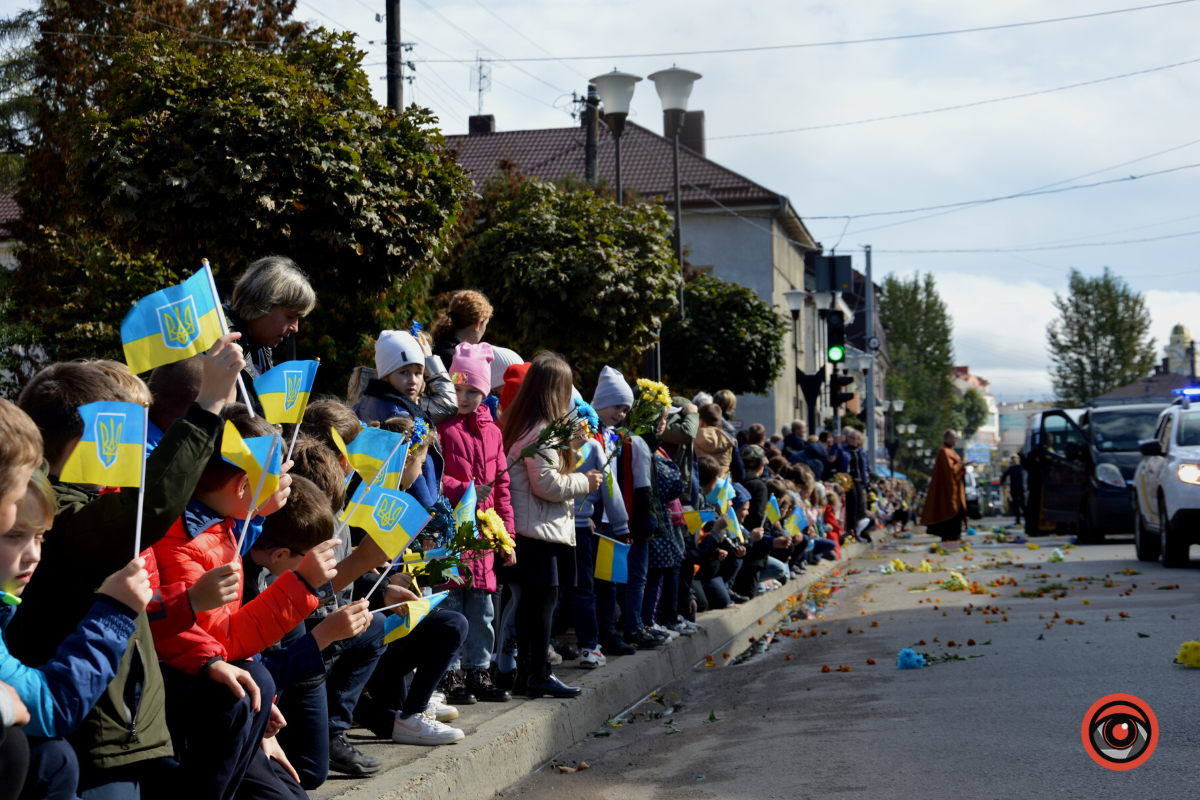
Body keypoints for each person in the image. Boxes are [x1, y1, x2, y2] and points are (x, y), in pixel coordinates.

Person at [11, 339, 245, 800]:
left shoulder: (93, 506)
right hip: (94, 741)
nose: (140, 448)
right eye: (128, 433)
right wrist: (207, 406)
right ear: (87, 441)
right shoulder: (60, 517)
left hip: (128, 729)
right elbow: (153, 504)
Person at [500, 353, 600, 698]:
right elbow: (548, 485)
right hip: (538, 531)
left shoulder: (529, 425)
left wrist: (572, 445)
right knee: (543, 603)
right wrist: (585, 482)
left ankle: (528, 672)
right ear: (555, 391)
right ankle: (538, 673)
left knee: (533, 604)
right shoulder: (541, 429)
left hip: (533, 528)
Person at [436, 342, 515, 702]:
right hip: (451, 530)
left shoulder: (493, 431)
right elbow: (432, 478)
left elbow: (502, 489)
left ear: (484, 392)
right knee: (450, 601)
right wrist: (464, 490)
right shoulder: (441, 426)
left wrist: (507, 538)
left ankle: (477, 671)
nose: (464, 397)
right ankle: (448, 672)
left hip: (484, 534)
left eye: (473, 391)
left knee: (482, 608)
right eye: (457, 389)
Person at [223, 256, 317, 411]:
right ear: (263, 304)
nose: (295, 328)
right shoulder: (219, 337)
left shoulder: (261, 342)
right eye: (290, 316)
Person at [355, 329, 458, 427]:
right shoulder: (399, 414)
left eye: (418, 373)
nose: (413, 381)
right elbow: (448, 406)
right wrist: (429, 361)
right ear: (385, 375)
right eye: (404, 372)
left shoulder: (364, 403)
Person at [922, 430, 967, 542]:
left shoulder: (951, 451)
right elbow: (950, 470)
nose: (955, 440)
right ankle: (949, 534)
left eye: (956, 437)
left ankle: (955, 534)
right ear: (946, 438)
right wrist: (962, 464)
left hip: (955, 487)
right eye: (953, 437)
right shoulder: (943, 451)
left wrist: (962, 464)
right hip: (948, 488)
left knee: (957, 510)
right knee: (950, 509)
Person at [429, 290, 494, 366]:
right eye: (485, 325)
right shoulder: (458, 359)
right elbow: (460, 378)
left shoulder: (434, 346)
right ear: (478, 324)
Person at [694, 404, 734, 480]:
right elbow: (738, 469)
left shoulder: (693, 437)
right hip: (723, 486)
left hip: (700, 485)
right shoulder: (729, 438)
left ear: (701, 421)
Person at [1002, 455, 1026, 526]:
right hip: (1014, 489)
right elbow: (1004, 475)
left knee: (1023, 505)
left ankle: (1026, 519)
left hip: (1022, 489)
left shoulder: (1022, 468)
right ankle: (1018, 520)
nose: (1015, 461)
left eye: (1016, 460)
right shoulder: (1011, 469)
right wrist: (1003, 482)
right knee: (1016, 505)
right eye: (1013, 460)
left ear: (1018, 459)